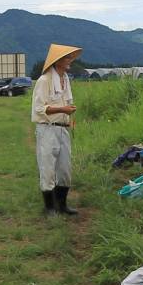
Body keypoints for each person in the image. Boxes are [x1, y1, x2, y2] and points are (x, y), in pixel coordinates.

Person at [31, 43, 81, 216]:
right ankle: (49, 207)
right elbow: (39, 109)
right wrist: (62, 110)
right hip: (47, 129)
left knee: (65, 168)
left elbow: (66, 103)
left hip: (63, 129)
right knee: (47, 167)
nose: (70, 61)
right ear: (58, 60)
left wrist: (68, 115)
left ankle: (62, 205)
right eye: (67, 58)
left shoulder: (65, 78)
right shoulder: (44, 81)